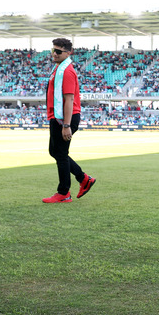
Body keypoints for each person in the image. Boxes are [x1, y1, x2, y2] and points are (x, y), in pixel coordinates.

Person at [42, 38, 96, 203]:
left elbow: (69, 99)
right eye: (53, 50)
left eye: (58, 51)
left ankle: (64, 192)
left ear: (68, 53)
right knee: (55, 152)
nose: (54, 54)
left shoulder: (67, 71)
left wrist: (66, 125)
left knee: (61, 154)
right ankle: (84, 179)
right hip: (58, 116)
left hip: (65, 118)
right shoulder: (58, 69)